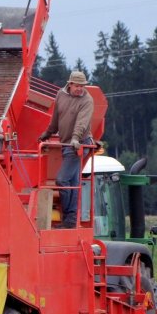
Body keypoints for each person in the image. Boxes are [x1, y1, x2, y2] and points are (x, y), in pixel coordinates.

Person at [37, 71, 95, 229]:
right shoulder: (60, 95)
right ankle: (71, 219)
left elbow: (82, 123)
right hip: (66, 144)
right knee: (72, 181)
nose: (80, 89)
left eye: (82, 86)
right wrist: (47, 133)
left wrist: (75, 138)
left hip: (79, 144)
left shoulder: (87, 100)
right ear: (70, 84)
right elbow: (55, 118)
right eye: (77, 86)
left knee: (62, 180)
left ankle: (69, 218)